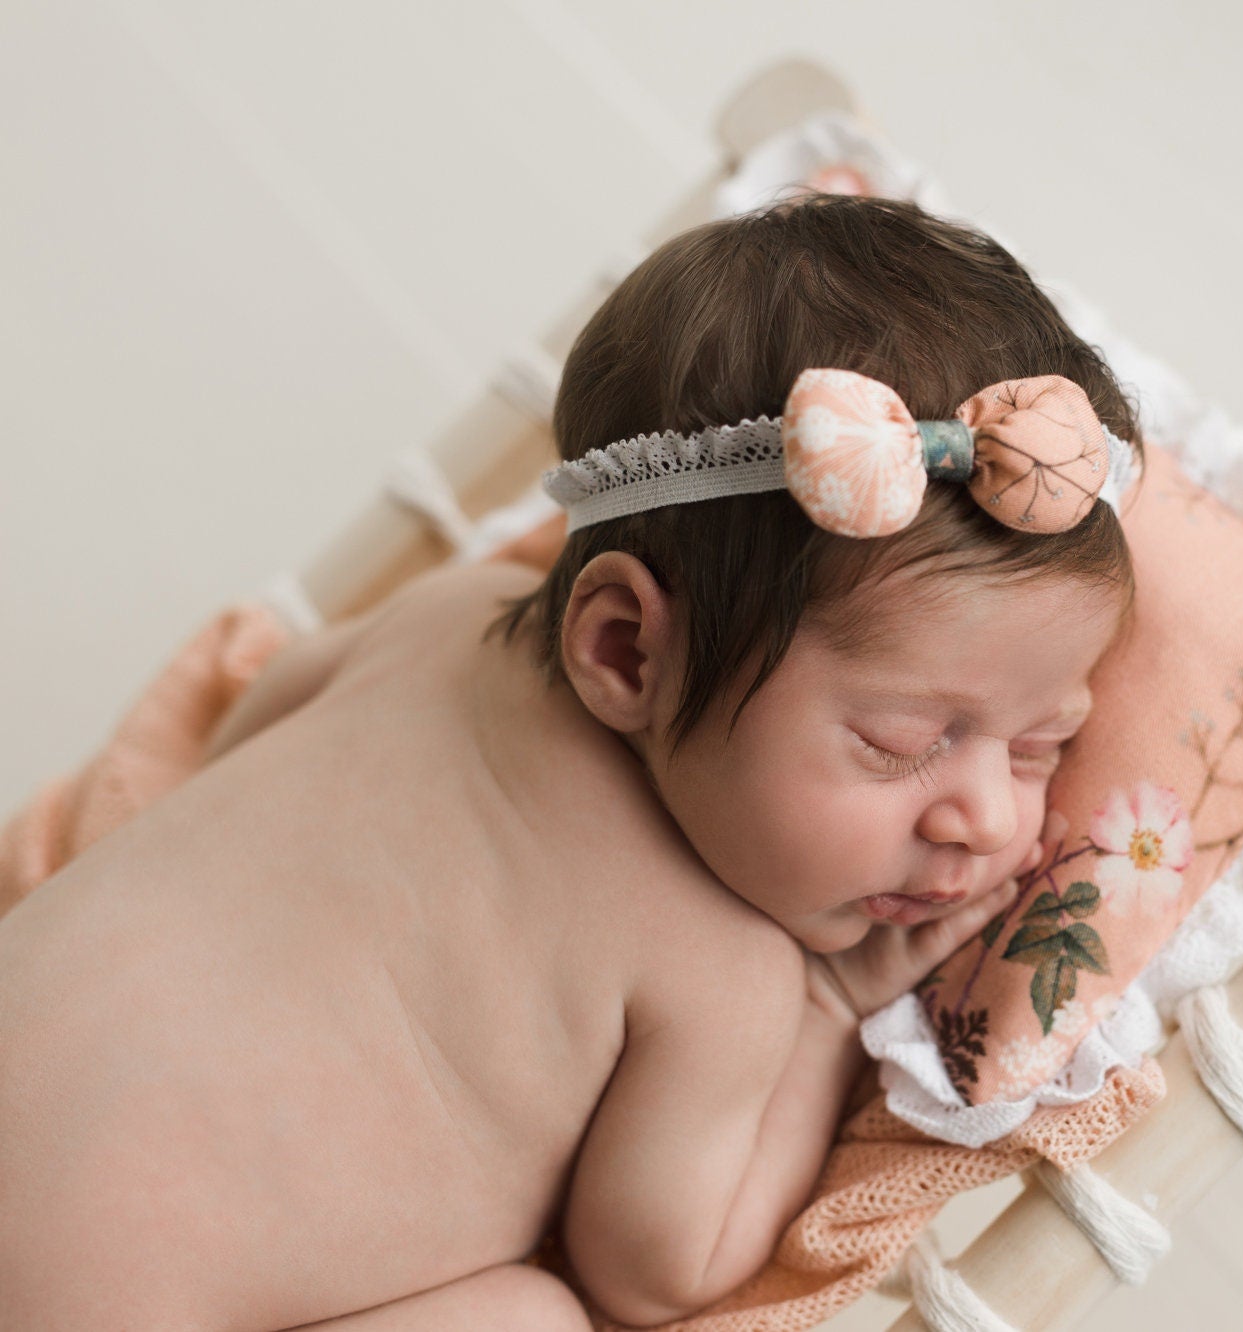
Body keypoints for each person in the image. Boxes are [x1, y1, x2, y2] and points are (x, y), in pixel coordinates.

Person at [0, 193, 1144, 1330]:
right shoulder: (727, 975)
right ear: (624, 647)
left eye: (1043, 745)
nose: (988, 819)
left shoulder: (443, 614)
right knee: (537, 1317)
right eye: (902, 742)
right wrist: (826, 1001)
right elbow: (659, 1274)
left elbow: (254, 719)